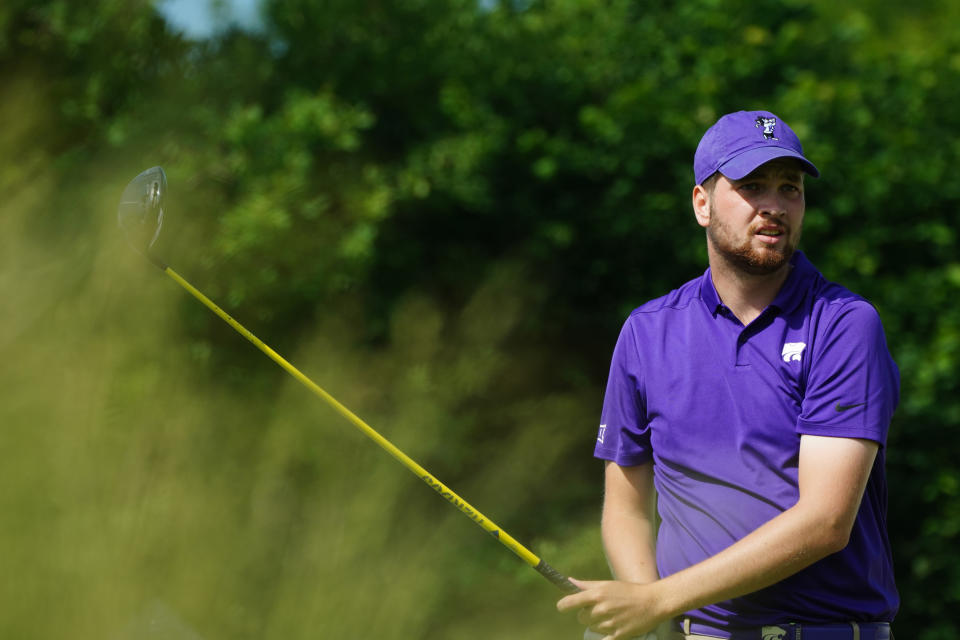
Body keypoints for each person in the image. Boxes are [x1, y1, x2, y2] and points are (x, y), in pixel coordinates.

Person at [557, 110, 899, 640]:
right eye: (752, 185)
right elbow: (627, 508)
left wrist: (657, 599)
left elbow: (826, 522)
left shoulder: (844, 324)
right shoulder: (647, 332)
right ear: (702, 203)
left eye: (790, 188)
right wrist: (647, 616)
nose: (774, 205)